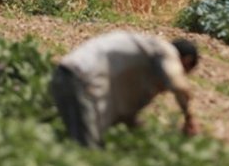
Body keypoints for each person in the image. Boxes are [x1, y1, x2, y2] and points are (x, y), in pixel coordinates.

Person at [50, 30, 199, 148]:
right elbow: (179, 85)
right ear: (185, 61)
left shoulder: (143, 54)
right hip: (81, 80)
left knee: (75, 141)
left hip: (64, 74)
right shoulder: (166, 51)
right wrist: (189, 119)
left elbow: (125, 115)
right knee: (87, 150)